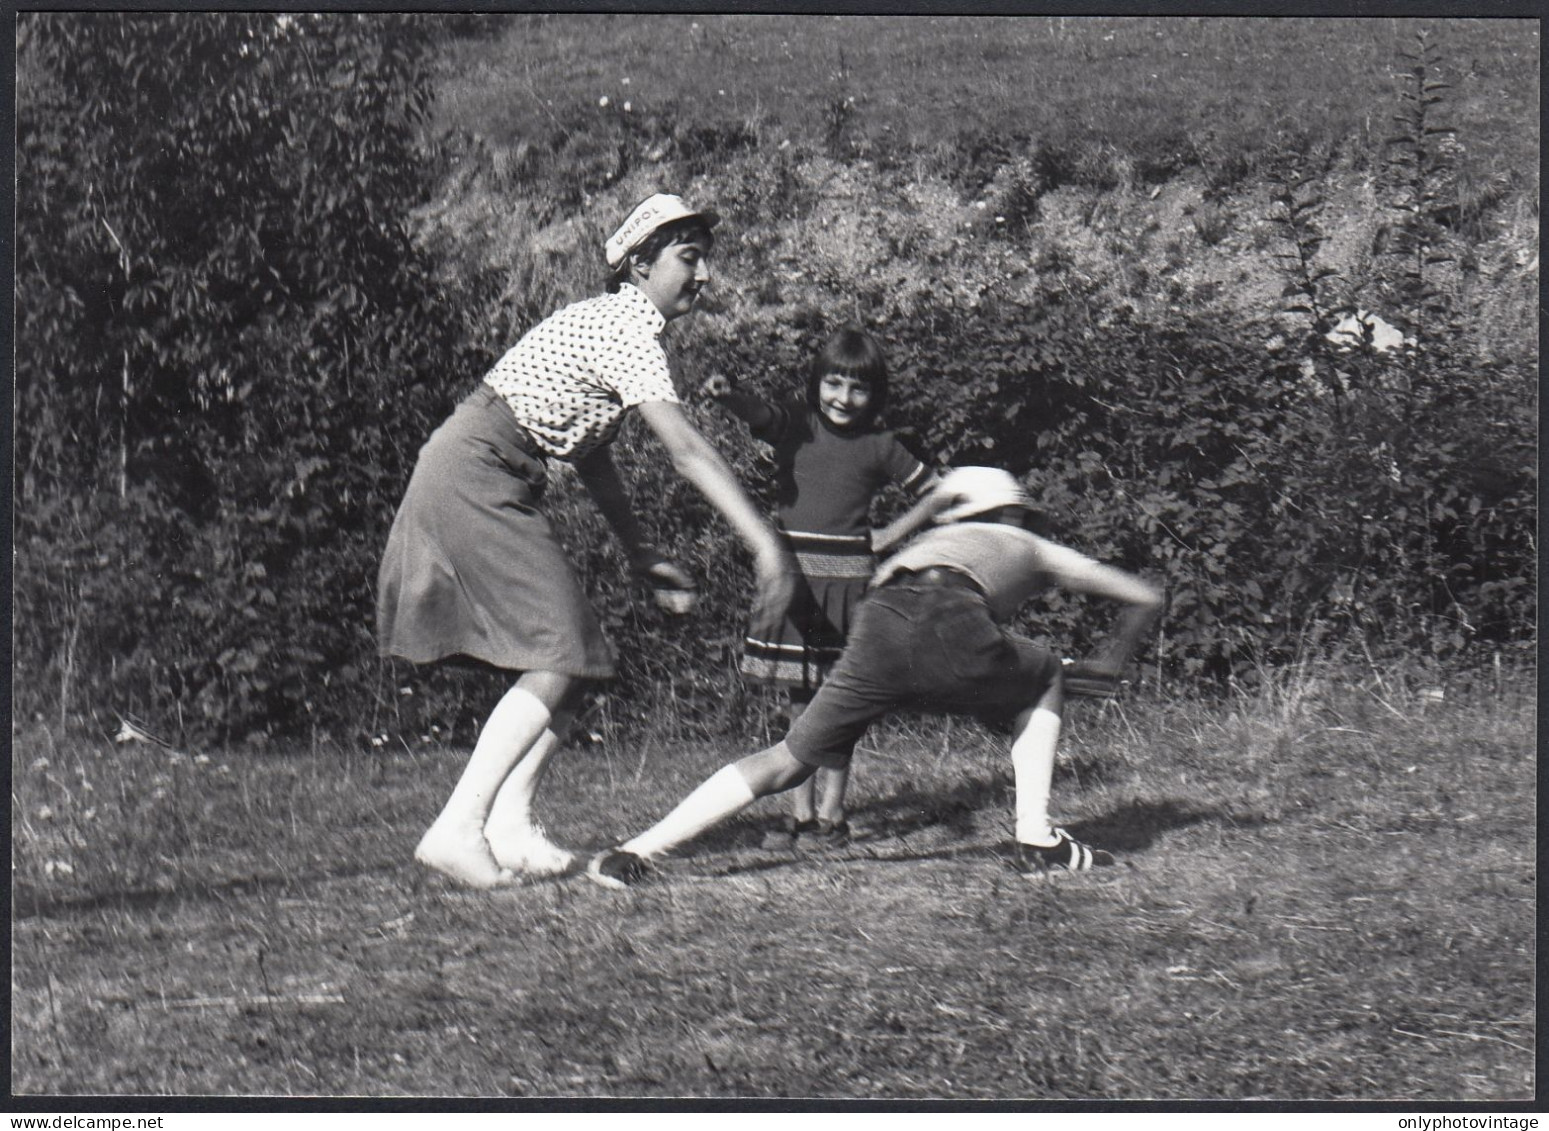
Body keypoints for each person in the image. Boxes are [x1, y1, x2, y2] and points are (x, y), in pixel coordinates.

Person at [378, 192, 797, 889]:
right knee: (558, 651)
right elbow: (685, 450)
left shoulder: (621, 328)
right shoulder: (624, 326)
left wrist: (638, 548)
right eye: (687, 258)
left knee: (578, 649)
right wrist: (766, 545)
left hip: (487, 469)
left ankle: (509, 824)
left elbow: (591, 452)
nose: (704, 276)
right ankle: (457, 826)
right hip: (473, 470)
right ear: (637, 264)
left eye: (704, 260)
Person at [585, 466, 1163, 888]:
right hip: (952, 616)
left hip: (879, 618)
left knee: (788, 760)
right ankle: (1036, 838)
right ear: (1011, 512)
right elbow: (1143, 596)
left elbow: (920, 646)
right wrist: (1110, 661)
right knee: (1045, 677)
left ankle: (634, 852)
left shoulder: (931, 539)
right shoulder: (1026, 542)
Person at [700, 327, 937, 850]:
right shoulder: (798, 425)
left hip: (849, 586)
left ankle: (833, 815)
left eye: (858, 388)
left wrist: (891, 535)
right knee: (798, 703)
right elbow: (759, 413)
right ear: (817, 383)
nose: (843, 398)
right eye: (834, 383)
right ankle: (800, 816)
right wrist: (729, 393)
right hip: (795, 581)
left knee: (840, 700)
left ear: (875, 395)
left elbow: (936, 492)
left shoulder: (882, 445)